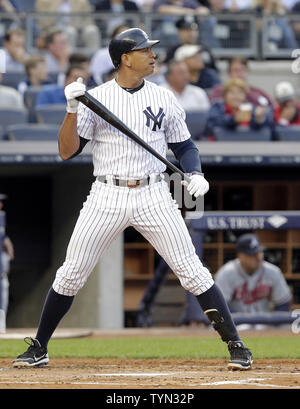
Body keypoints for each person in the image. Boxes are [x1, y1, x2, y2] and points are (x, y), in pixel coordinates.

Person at [12, 27, 253, 371]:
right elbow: (67, 152)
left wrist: (195, 173)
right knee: (71, 273)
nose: (153, 55)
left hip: (153, 192)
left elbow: (184, 146)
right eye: (145, 50)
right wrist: (70, 108)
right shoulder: (96, 98)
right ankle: (39, 346)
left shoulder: (164, 96)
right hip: (106, 193)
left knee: (192, 272)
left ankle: (237, 346)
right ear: (125, 58)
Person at [180, 233, 292, 327]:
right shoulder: (227, 273)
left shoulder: (273, 272)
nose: (258, 257)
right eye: (252, 254)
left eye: (259, 252)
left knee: (287, 326)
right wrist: (243, 319)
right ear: (240, 256)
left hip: (266, 324)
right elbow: (220, 306)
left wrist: (272, 320)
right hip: (238, 324)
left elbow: (283, 303)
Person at [205, 78, 273, 138]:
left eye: (240, 93)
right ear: (225, 95)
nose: (236, 96)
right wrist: (234, 119)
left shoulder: (249, 108)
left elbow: (264, 125)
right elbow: (213, 124)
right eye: (232, 92)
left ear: (245, 96)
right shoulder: (217, 106)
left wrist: (259, 118)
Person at [35, 0, 100, 51]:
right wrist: (57, 2)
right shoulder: (42, 1)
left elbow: (88, 19)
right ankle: (69, 59)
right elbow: (44, 22)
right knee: (70, 31)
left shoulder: (81, 1)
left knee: (92, 30)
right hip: (54, 29)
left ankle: (93, 58)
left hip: (78, 27)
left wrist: (77, 25)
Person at [209, 57, 274, 107]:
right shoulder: (219, 91)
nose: (240, 74)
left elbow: (273, 107)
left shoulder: (258, 92)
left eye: (243, 70)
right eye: (236, 70)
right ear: (229, 73)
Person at [0, 193, 14, 334]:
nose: (1, 204)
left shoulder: (1, 216)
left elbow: (4, 237)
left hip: (1, 261)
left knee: (4, 287)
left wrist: (9, 249)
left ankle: (1, 323)